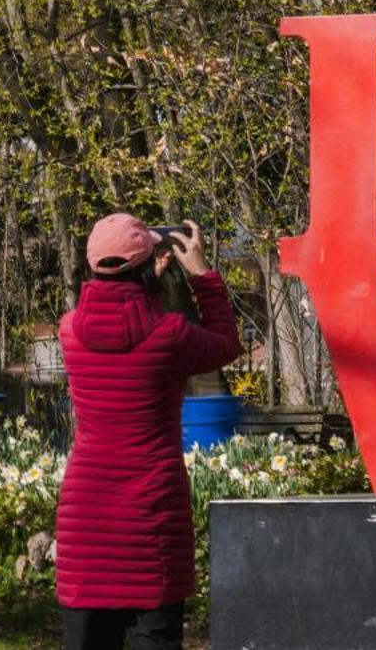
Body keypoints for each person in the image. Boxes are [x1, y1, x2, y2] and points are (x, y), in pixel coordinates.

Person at [56, 215, 241, 650]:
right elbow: (226, 344)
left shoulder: (69, 333)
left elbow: (117, 316)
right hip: (150, 515)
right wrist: (201, 275)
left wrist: (144, 282)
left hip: (87, 519)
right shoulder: (169, 335)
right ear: (150, 267)